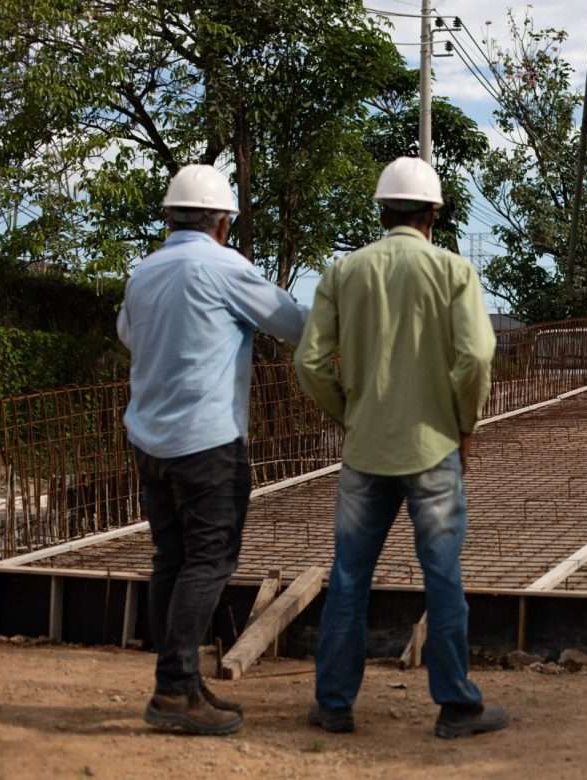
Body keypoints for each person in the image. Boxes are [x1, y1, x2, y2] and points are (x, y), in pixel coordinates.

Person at [294, 157, 508, 739]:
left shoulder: (344, 271)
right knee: (441, 577)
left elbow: (310, 362)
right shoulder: (454, 272)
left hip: (365, 452)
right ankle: (456, 705)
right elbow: (476, 357)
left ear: (382, 209)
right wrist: (463, 424)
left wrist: (350, 414)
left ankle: (334, 704)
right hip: (434, 448)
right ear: (434, 213)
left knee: (347, 580)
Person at [118, 164, 308, 736]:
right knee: (208, 561)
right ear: (223, 221)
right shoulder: (226, 268)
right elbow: (295, 324)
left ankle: (176, 680)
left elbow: (128, 333)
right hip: (207, 443)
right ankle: (175, 692)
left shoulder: (143, 274)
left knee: (170, 562)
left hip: (150, 442)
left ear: (171, 217)